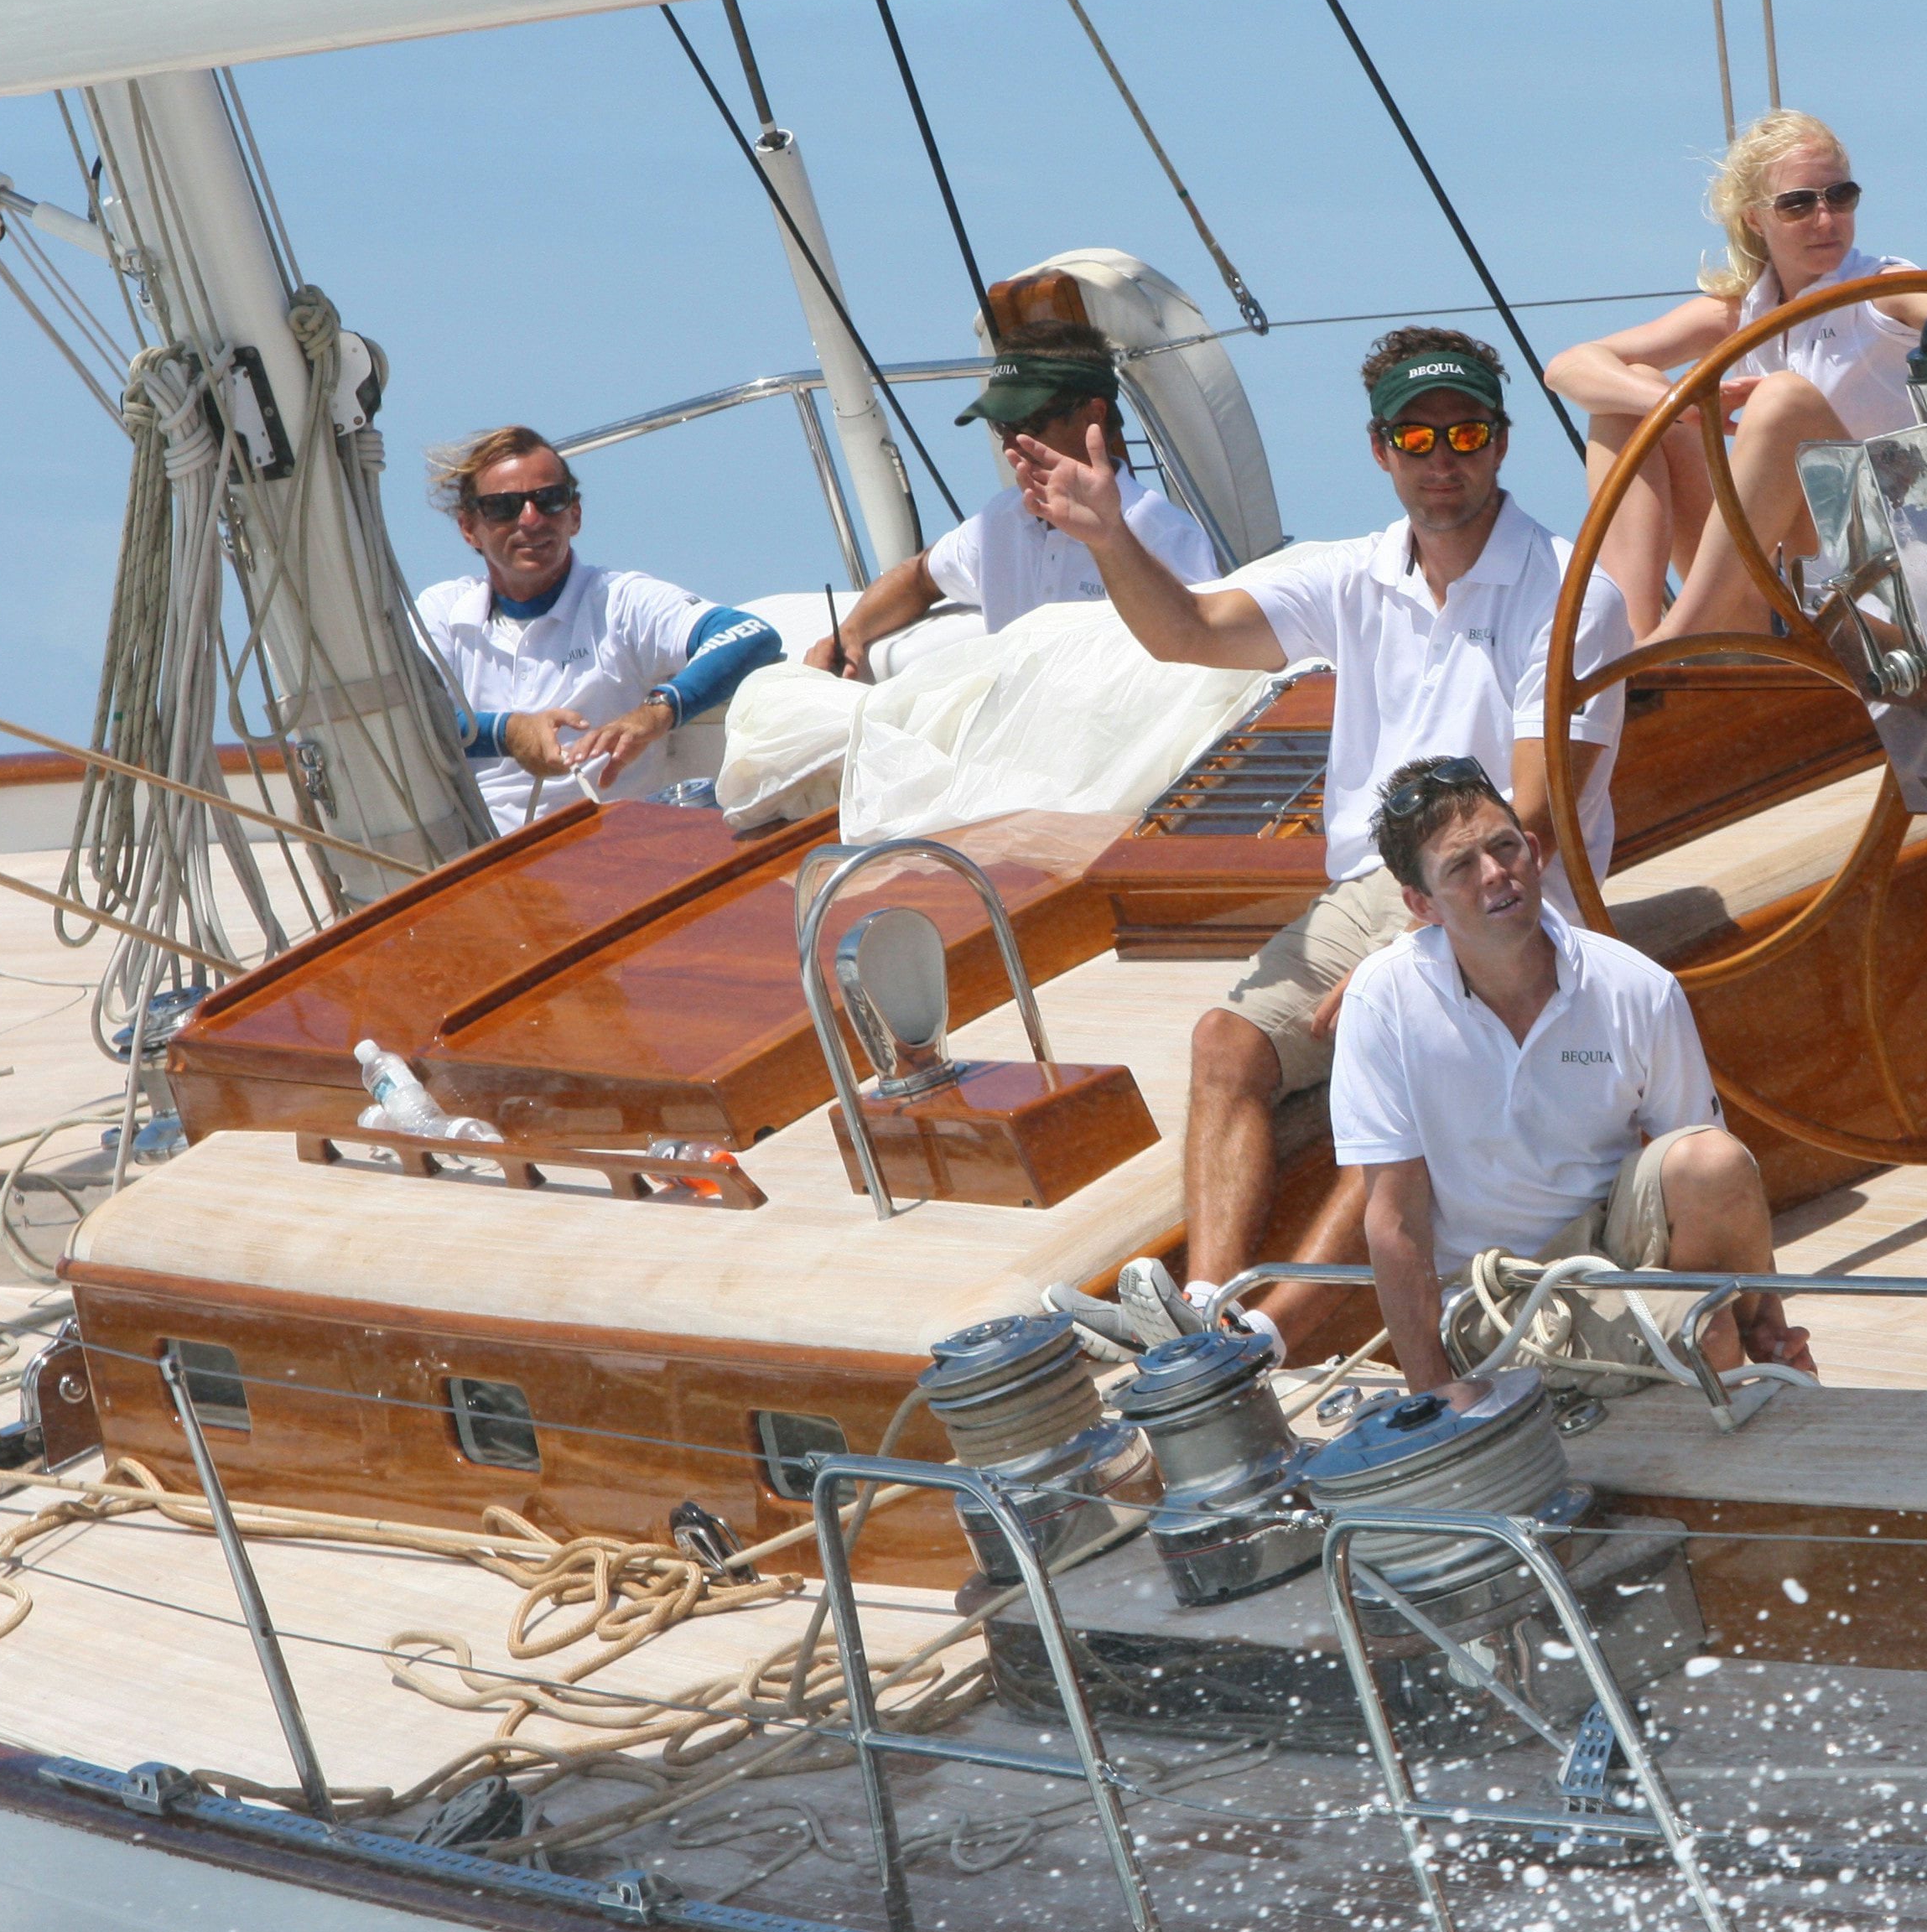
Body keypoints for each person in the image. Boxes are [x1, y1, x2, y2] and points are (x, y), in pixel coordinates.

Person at [1015, 328, 1633, 1300]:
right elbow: (1186, 631)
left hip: (1518, 901)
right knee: (1226, 1046)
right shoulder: (1351, 575)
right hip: (1378, 891)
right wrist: (1107, 538)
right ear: (1380, 450)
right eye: (1416, 440)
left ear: (1503, 443)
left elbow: (1533, 829)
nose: (1443, 461)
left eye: (1465, 435)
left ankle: (1278, 1333)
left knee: (1393, 1048)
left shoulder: (1577, 594)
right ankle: (1209, 1317)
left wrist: (1405, 960)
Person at [1332, 755, 1806, 1391]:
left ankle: (1747, 1349)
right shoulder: (1382, 1000)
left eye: (1505, 848)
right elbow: (1395, 1222)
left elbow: (1723, 1193)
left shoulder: (1639, 988)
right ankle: (1702, 1350)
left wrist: (1770, 1325)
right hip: (1495, 1294)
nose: (1497, 874)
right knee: (1702, 1333)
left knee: (1713, 1162)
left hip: (1615, 1242)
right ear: (1422, 905)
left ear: (1534, 850)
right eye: (1462, 867)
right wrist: (1438, 1401)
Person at [1541, 109, 1927, 643]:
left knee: (1782, 401)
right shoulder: (1740, 313)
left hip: (1883, 581)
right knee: (1628, 400)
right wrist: (1686, 405)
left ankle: (1675, 638)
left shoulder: (1882, 289)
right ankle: (1632, 640)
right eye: (1798, 204)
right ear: (1754, 217)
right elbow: (1568, 366)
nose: (1826, 219)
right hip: (1774, 585)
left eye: (1839, 196)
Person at [797, 321, 1219, 676]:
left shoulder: (1164, 534)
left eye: (1032, 422)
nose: (1013, 446)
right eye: (1003, 428)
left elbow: (1210, 657)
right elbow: (921, 577)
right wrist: (851, 632)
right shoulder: (998, 522)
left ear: (1094, 414)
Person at [415, 427, 782, 831]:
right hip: (478, 859)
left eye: (549, 500)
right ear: (469, 528)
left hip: (615, 849)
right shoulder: (444, 612)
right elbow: (411, 719)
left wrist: (657, 712)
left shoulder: (618, 601)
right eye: (504, 507)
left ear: (575, 515)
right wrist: (510, 732)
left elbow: (748, 634)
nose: (531, 519)